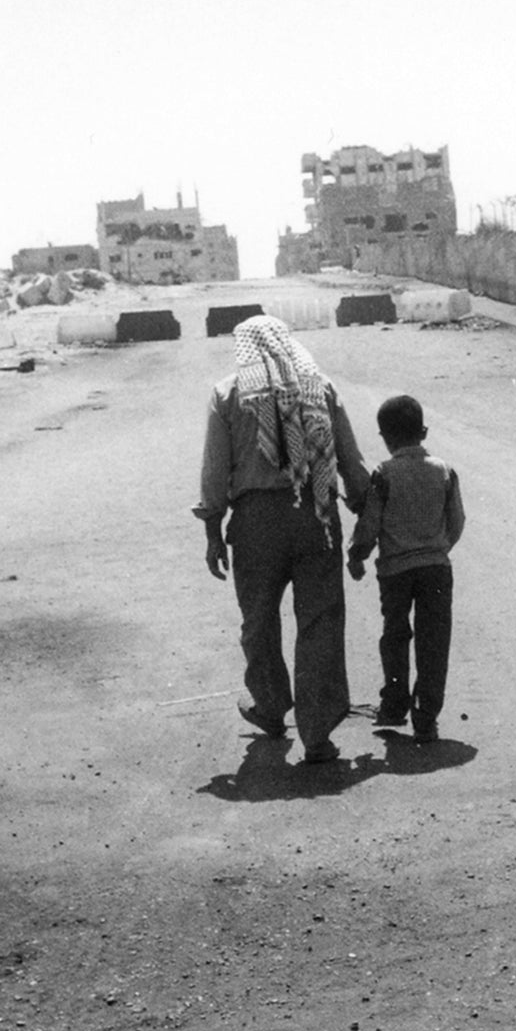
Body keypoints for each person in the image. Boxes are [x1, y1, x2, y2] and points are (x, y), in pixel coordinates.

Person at [195, 316, 369, 764]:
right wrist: (365, 513)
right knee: (320, 622)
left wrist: (214, 533)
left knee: (259, 621)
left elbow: (215, 474)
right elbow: (351, 461)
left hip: (255, 526)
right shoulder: (319, 388)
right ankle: (318, 734)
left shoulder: (228, 394)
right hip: (317, 517)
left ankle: (270, 710)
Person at [346, 394, 464, 743]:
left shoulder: (384, 474)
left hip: (395, 572)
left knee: (395, 635)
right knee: (434, 641)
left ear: (385, 437)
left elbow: (370, 523)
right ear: (423, 432)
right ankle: (426, 717)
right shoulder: (444, 471)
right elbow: (456, 521)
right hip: (436, 570)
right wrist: (438, 548)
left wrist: (357, 555)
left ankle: (394, 705)